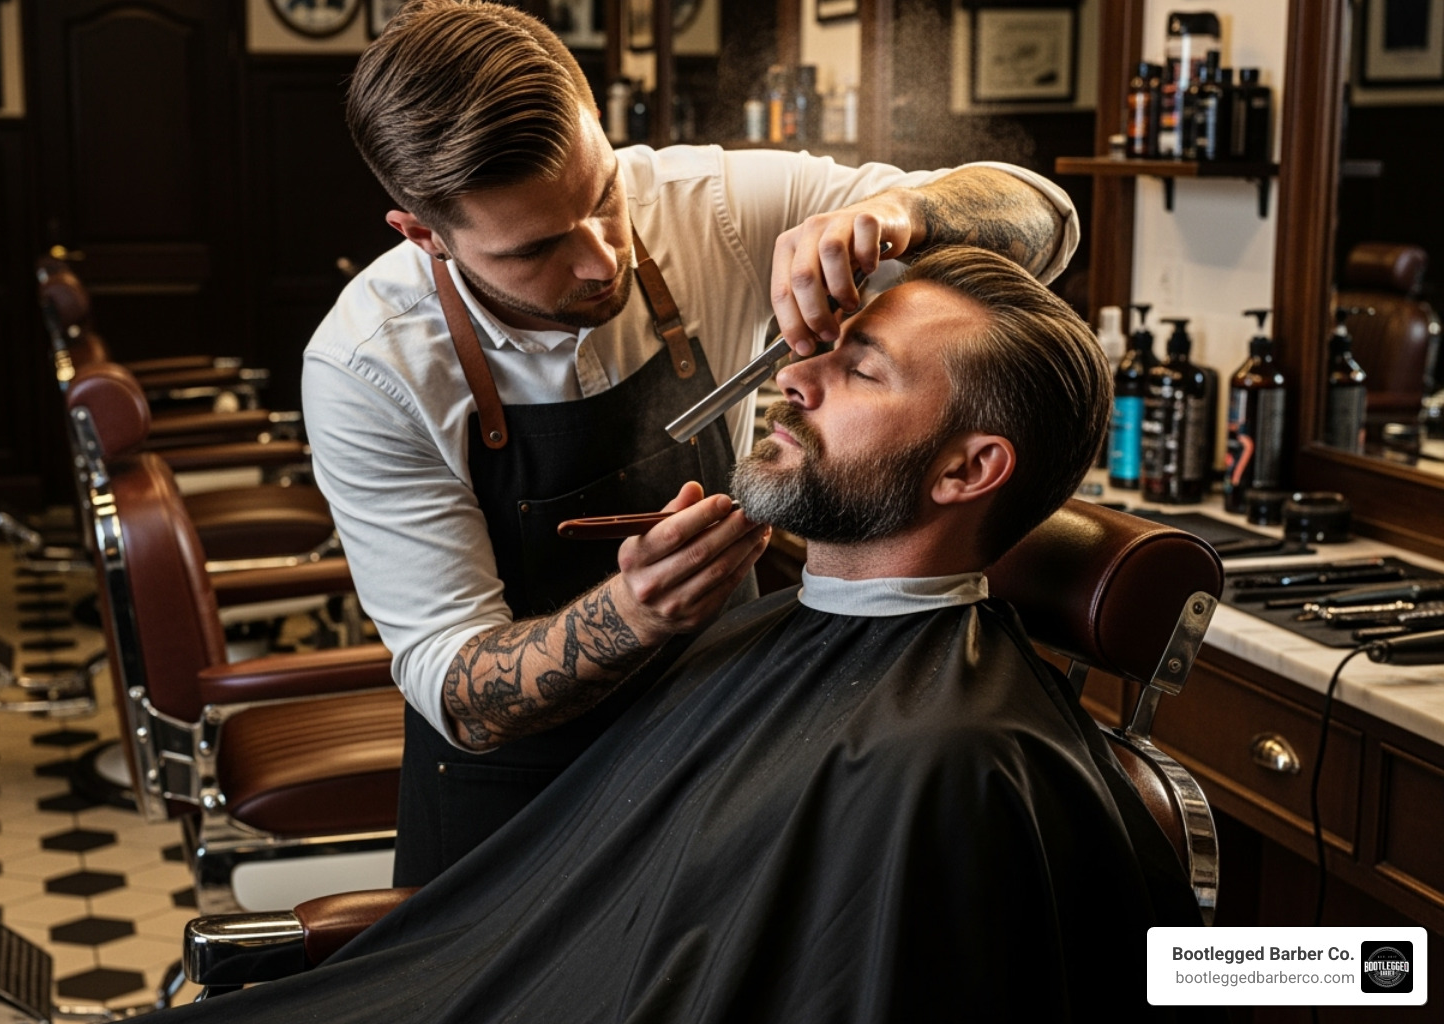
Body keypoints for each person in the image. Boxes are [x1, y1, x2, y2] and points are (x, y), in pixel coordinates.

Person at [168, 247, 1213, 1023]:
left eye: (860, 370)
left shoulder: (954, 764)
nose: (792, 378)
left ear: (964, 471)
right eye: (819, 350)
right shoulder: (750, 632)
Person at [303, 0, 1081, 886]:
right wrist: (635, 614)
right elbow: (458, 690)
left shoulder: (705, 203)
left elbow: (1046, 223)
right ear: (423, 235)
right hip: (510, 811)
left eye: (603, 198)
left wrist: (906, 210)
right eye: (539, 249)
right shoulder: (370, 366)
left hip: (723, 745)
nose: (603, 259)